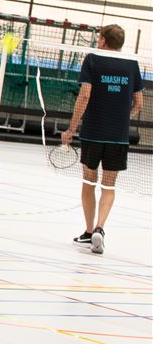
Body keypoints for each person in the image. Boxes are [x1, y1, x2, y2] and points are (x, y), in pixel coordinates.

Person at [63, 24, 143, 255]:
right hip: (118, 136)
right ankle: (100, 228)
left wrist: (71, 129)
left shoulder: (93, 59)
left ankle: (89, 232)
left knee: (89, 182)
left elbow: (84, 95)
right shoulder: (132, 63)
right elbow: (139, 103)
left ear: (103, 40)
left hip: (93, 132)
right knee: (108, 185)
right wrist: (123, 118)